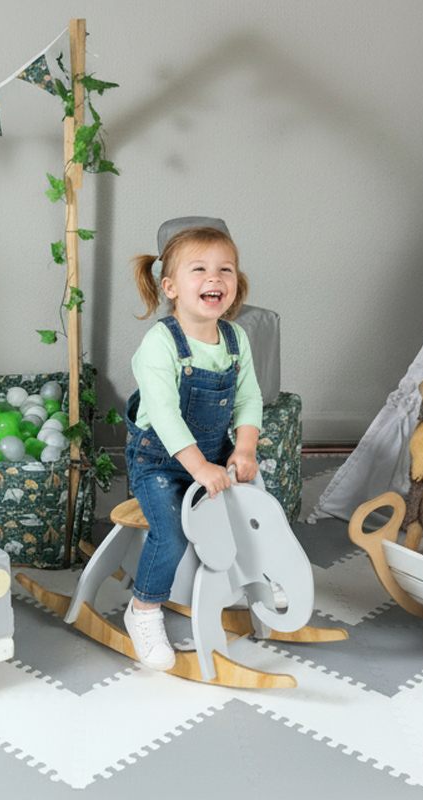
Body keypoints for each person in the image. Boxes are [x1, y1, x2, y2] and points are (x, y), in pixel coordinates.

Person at [123, 217, 263, 670]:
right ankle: (143, 609)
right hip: (159, 461)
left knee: (254, 508)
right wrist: (199, 468)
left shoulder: (235, 339)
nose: (214, 278)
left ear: (236, 284)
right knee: (171, 533)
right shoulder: (160, 344)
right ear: (171, 287)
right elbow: (165, 417)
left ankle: (247, 583)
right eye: (199, 269)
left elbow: (249, 398)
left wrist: (244, 448)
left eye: (225, 270)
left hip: (214, 454)